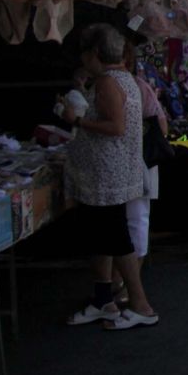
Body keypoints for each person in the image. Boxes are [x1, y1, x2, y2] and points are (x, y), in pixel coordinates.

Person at [62, 24, 157, 330]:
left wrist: (76, 119)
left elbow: (115, 126)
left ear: (94, 54)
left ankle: (141, 305)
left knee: (116, 239)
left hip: (107, 176)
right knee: (104, 238)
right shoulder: (123, 79)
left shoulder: (107, 82)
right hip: (111, 174)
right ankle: (104, 299)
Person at [122, 40, 168, 277]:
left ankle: (128, 280)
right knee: (135, 219)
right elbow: (163, 126)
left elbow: (160, 126)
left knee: (135, 218)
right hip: (131, 162)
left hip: (137, 160)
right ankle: (124, 280)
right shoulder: (138, 86)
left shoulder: (136, 87)